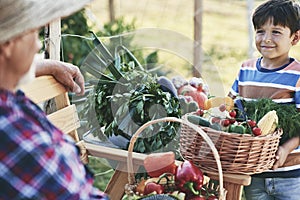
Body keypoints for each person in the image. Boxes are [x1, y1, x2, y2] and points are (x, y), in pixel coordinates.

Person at [0, 0, 109, 199]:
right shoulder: (14, 134)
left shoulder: (8, 97)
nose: (37, 45)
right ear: (8, 43)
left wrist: (48, 66)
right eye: (33, 32)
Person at [228, 0, 300, 199]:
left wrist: (286, 149)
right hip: (253, 174)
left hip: (290, 175)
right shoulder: (246, 69)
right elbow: (230, 109)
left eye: (276, 32)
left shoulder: (297, 75)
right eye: (260, 31)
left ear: (295, 37)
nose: (266, 39)